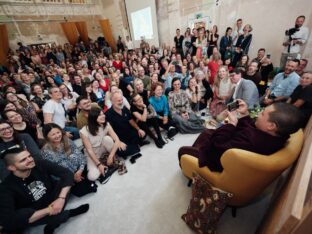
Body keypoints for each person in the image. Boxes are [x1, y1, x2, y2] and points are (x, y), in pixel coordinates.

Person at [178, 100, 303, 172]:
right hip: (229, 148)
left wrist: (231, 125)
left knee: (183, 150)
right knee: (206, 132)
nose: (258, 114)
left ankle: (188, 166)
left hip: (217, 158)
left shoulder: (252, 140)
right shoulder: (275, 136)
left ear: (271, 126)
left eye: (263, 113)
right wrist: (245, 114)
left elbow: (217, 146)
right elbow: (252, 129)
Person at [0, 146, 89, 233]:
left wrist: (61, 199)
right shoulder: (6, 187)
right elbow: (8, 220)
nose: (30, 159)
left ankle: (55, 219)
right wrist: (48, 210)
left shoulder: (39, 163)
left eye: (29, 156)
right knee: (20, 216)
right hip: (36, 212)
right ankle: (67, 214)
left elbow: (67, 173)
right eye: (23, 160)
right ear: (12, 167)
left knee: (65, 182)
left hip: (51, 197)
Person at [41, 123, 97, 197]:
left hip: (79, 168)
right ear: (47, 136)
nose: (57, 135)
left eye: (58, 132)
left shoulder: (66, 140)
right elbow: (53, 172)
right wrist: (72, 176)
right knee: (81, 190)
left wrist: (80, 170)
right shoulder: (46, 152)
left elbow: (79, 155)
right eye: (53, 134)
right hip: (66, 176)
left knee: (92, 177)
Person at [80, 108, 127, 182]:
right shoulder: (84, 131)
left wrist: (111, 156)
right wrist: (98, 164)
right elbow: (89, 150)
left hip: (103, 148)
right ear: (93, 118)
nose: (103, 116)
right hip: (93, 153)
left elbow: (117, 140)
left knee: (107, 139)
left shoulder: (106, 124)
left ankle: (110, 159)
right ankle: (105, 162)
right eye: (99, 115)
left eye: (103, 114)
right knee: (92, 177)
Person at [105, 91, 143, 163]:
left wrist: (138, 129)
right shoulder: (107, 114)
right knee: (121, 150)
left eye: (122, 99)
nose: (121, 102)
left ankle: (134, 146)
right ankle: (134, 147)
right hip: (120, 138)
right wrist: (118, 142)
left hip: (129, 133)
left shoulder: (124, 109)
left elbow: (131, 121)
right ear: (112, 101)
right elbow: (109, 132)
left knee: (142, 133)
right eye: (119, 101)